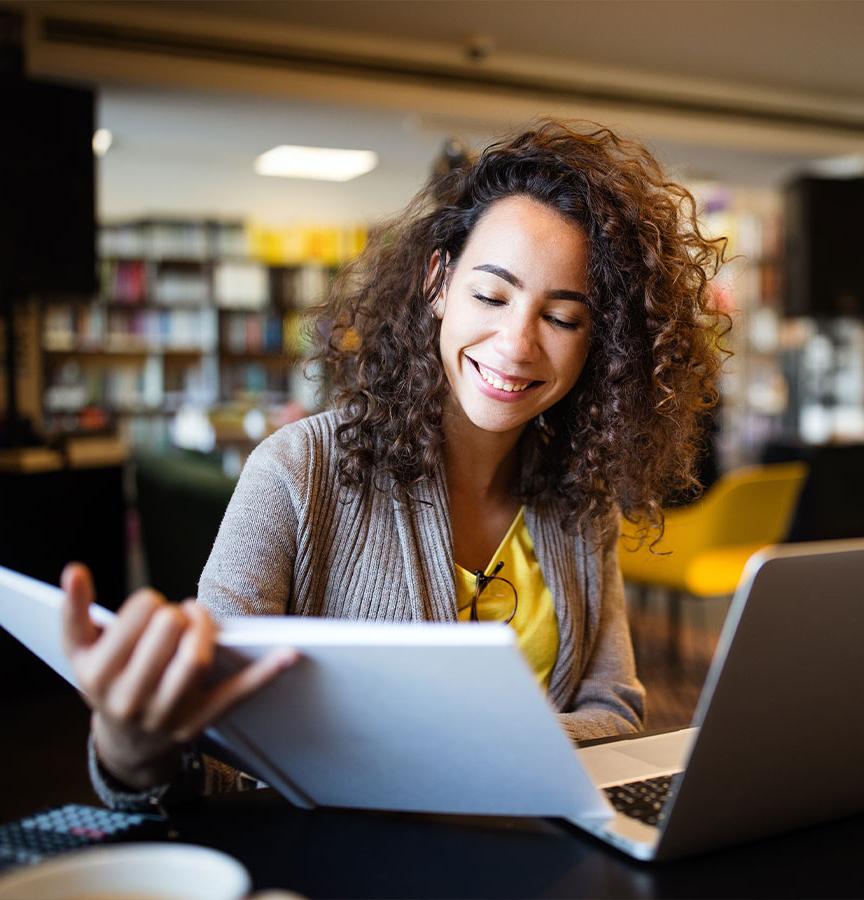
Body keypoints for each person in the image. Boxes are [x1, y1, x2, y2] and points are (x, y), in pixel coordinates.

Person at [61, 120, 727, 810]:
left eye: (562, 317)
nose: (517, 345)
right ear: (439, 283)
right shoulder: (297, 471)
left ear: (601, 341)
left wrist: (424, 755)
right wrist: (131, 752)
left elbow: (617, 711)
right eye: (491, 296)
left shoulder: (579, 499)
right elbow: (217, 755)